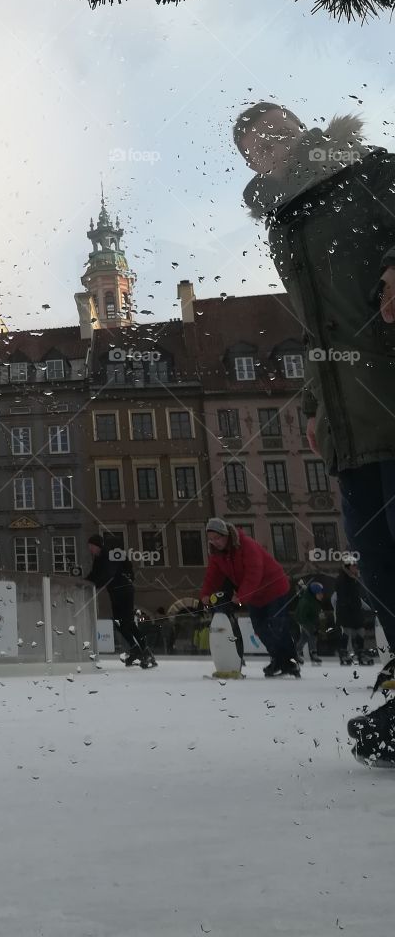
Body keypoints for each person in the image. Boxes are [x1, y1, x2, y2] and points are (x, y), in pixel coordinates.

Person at [233, 104, 395, 745]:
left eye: (272, 133)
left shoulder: (362, 170)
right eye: (251, 149)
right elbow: (322, 328)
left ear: (299, 129)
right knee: (380, 565)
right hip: (347, 421)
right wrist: (311, 407)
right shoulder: (286, 221)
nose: (265, 150)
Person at [200, 518, 299, 677]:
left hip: (274, 589)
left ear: (226, 535)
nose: (214, 542)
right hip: (254, 596)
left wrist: (241, 596)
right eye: (211, 539)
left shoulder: (247, 545)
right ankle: (280, 659)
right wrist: (205, 594)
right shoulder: (217, 555)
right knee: (260, 628)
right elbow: (213, 576)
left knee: (275, 626)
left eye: (217, 538)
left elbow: (254, 572)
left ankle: (290, 661)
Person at [86, 534, 156, 668]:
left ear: (97, 545)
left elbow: (108, 574)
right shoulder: (99, 558)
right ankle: (138, 649)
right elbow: (94, 574)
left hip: (123, 591)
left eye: (91, 546)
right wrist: (84, 583)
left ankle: (143, 651)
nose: (90, 549)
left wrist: (94, 585)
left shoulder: (108, 555)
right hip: (116, 591)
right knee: (122, 623)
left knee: (126, 623)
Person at [333, 559, 372, 666]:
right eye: (353, 566)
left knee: (360, 630)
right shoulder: (342, 579)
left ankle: (360, 653)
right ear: (348, 567)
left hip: (356, 609)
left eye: (356, 565)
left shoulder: (355, 578)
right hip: (346, 610)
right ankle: (343, 653)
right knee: (347, 631)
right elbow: (342, 595)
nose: (356, 567)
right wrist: (347, 604)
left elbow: (357, 594)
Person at [294, 580, 325, 666]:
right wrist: (310, 627)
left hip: (310, 620)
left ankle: (295, 653)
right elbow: (302, 616)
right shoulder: (306, 602)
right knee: (312, 635)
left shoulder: (314, 601)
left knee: (304, 638)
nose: (322, 596)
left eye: (321, 593)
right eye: (319, 594)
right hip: (303, 620)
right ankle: (313, 654)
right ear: (314, 594)